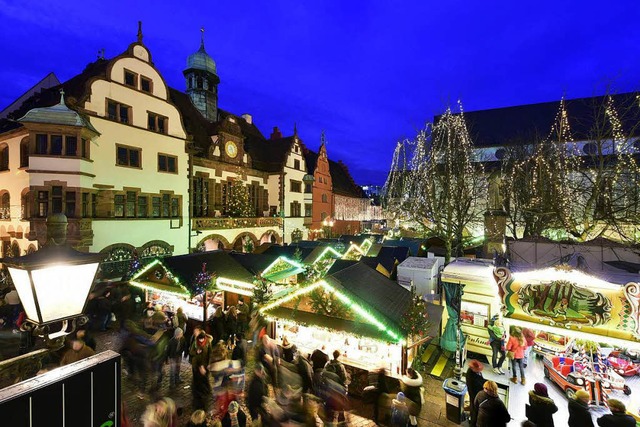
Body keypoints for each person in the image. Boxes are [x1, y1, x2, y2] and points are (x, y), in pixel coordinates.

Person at [190, 331, 213, 410]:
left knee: (205, 378)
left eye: (202, 339)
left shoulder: (208, 343)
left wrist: (208, 364)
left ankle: (206, 390)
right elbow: (191, 352)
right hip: (196, 365)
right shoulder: (195, 343)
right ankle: (197, 391)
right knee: (197, 379)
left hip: (205, 365)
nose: (201, 341)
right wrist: (196, 352)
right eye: (200, 339)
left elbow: (210, 353)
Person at [465, 359, 485, 427]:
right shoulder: (472, 376)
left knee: (473, 407)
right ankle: (473, 423)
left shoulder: (473, 372)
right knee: (475, 410)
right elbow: (478, 386)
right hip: (475, 395)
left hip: (474, 394)